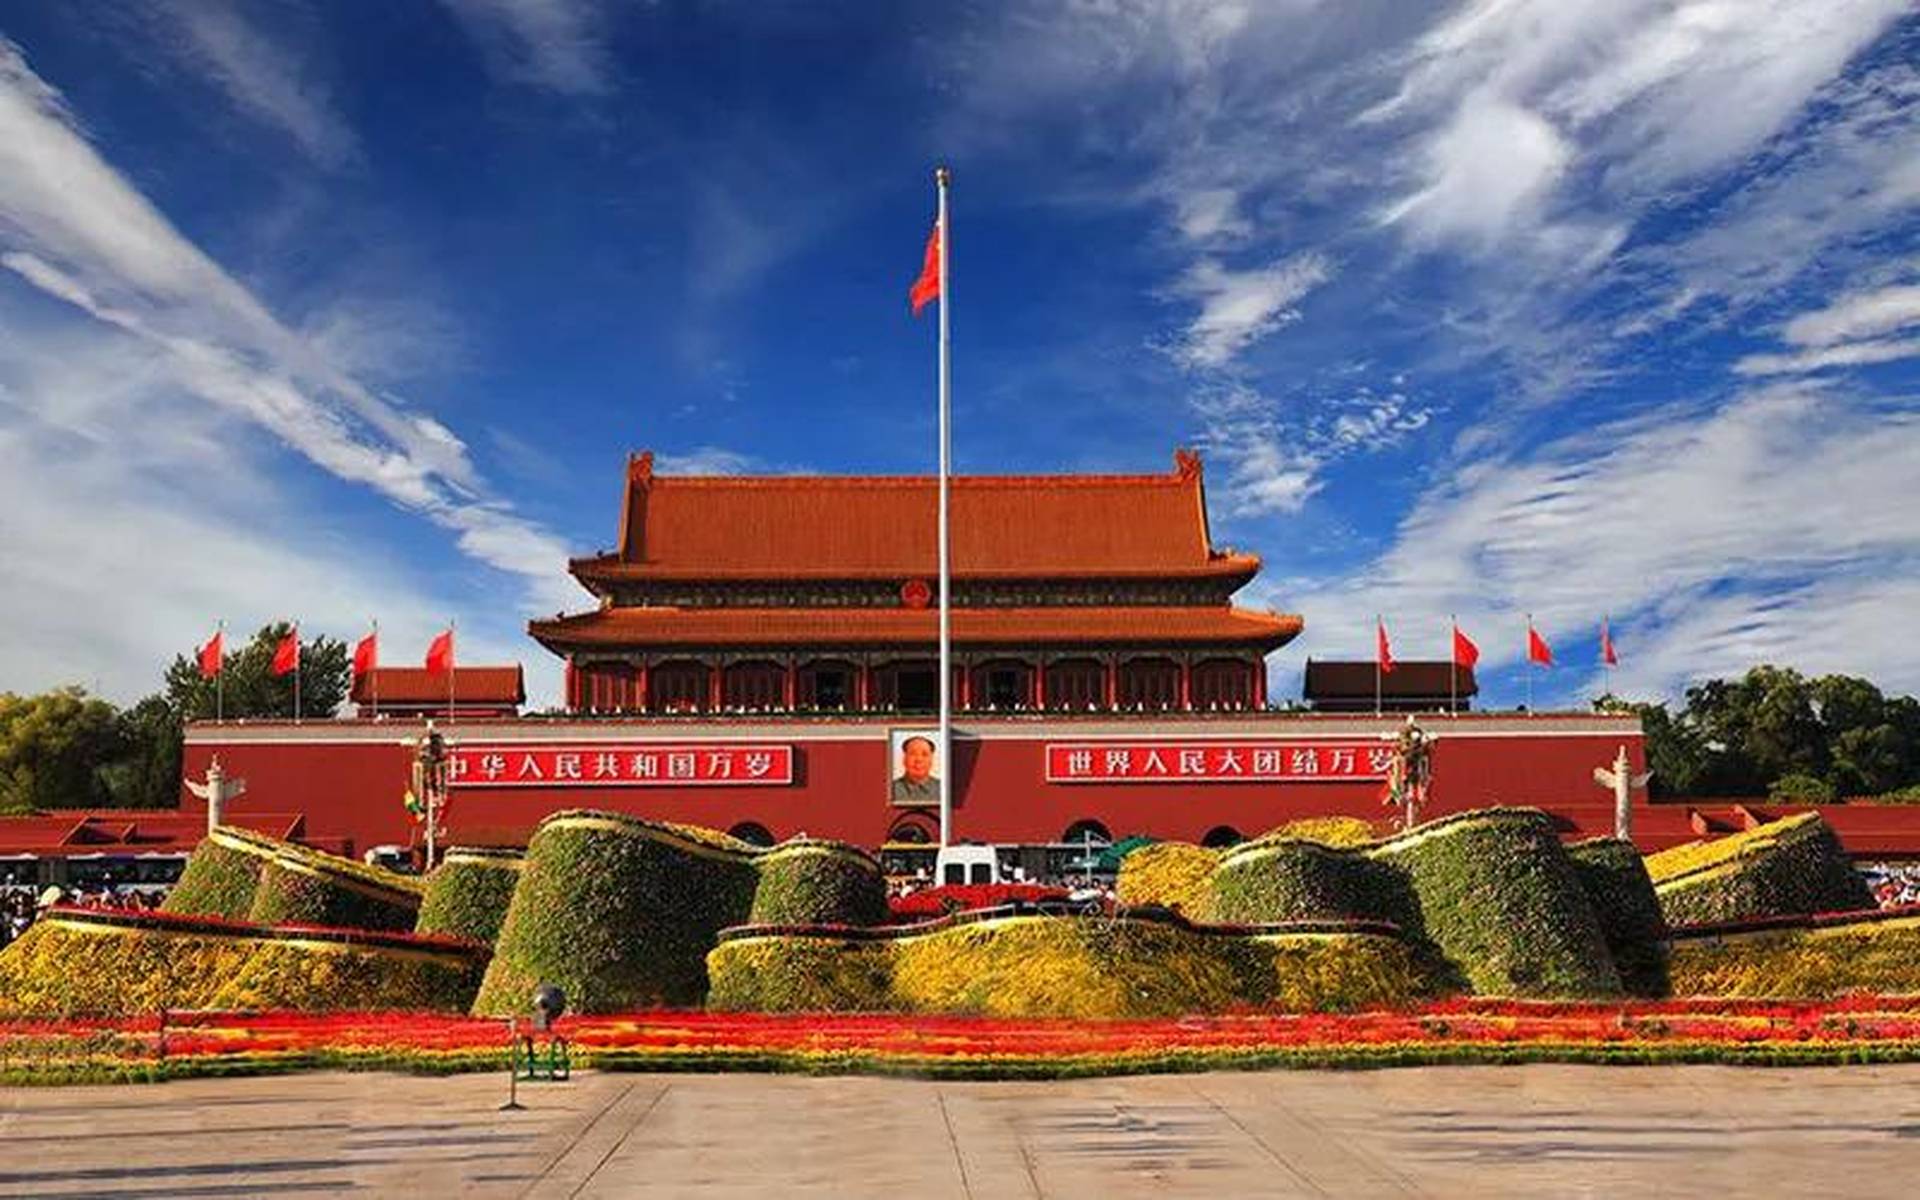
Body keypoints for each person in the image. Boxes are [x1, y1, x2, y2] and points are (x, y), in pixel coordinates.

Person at [890, 735, 940, 804]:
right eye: (912, 754)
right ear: (904, 759)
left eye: (925, 754)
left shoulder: (943, 788)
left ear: (931, 760)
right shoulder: (891, 788)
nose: (919, 759)